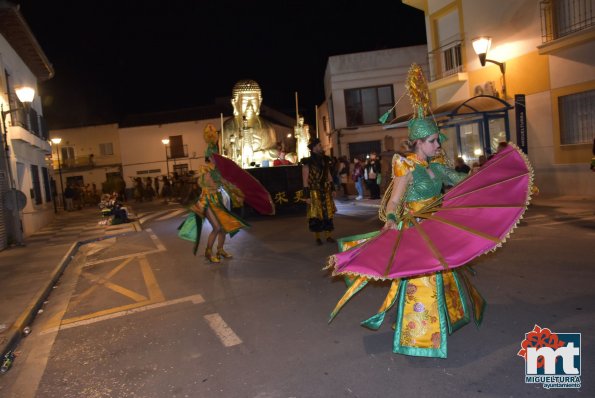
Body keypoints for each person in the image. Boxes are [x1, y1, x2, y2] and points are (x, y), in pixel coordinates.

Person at [326, 64, 484, 358]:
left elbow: (460, 181)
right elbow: (394, 201)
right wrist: (392, 222)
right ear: (420, 143)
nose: (439, 145)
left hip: (435, 227)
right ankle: (420, 333)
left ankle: (445, 316)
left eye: (437, 140)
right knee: (422, 278)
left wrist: (486, 178)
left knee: (444, 272)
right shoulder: (407, 165)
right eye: (434, 141)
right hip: (415, 229)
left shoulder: (435, 165)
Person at [187, 125, 249, 263]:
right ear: (209, 156)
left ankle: (220, 250)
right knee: (217, 227)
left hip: (220, 199)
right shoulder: (205, 170)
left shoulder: (219, 170)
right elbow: (202, 183)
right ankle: (208, 252)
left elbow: (226, 183)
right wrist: (214, 181)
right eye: (214, 156)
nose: (216, 158)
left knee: (224, 227)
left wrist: (235, 191)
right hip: (208, 201)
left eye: (217, 155)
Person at [300, 137, 337, 245]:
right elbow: (305, 181)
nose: (322, 147)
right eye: (320, 145)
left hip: (325, 191)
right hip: (314, 192)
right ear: (314, 147)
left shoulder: (325, 160)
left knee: (328, 214)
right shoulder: (307, 163)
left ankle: (328, 236)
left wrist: (333, 189)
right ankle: (317, 238)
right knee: (315, 215)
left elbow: (329, 176)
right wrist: (307, 196)